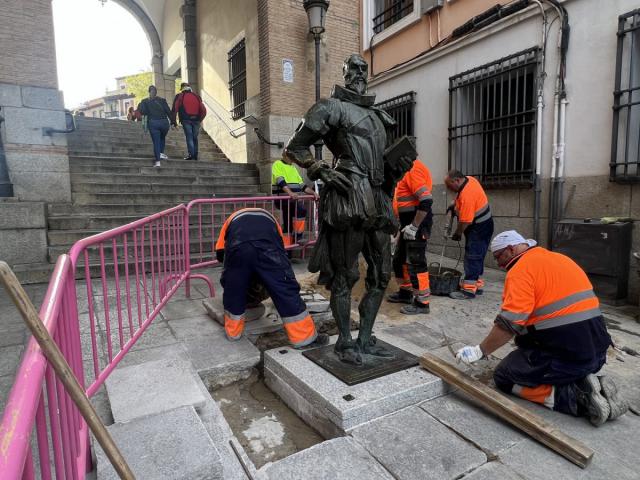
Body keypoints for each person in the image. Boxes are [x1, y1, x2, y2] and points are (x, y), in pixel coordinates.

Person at [283, 54, 413, 365]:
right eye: (352, 68)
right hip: (349, 193)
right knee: (346, 274)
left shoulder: (382, 117)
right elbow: (295, 146)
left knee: (382, 275)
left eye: (362, 68)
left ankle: (365, 337)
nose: (358, 72)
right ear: (344, 73)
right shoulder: (330, 107)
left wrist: (399, 168)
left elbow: (385, 162)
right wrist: (319, 169)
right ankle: (344, 342)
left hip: (379, 197)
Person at [456, 230, 628, 426]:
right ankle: (585, 380)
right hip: (598, 353)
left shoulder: (520, 271)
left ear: (511, 249)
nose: (498, 264)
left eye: (498, 257)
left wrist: (480, 350)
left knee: (504, 376)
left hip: (573, 359)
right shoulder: (559, 258)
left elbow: (508, 325)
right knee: (524, 344)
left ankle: (577, 397)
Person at [215, 207, 329, 348]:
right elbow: (280, 250)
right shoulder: (273, 222)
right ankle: (304, 338)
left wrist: (235, 274)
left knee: (234, 287)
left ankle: (233, 333)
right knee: (284, 288)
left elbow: (220, 253)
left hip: (238, 248)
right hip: (269, 248)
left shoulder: (230, 221)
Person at [387, 159, 433, 315]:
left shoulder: (412, 170)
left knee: (416, 263)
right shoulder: (404, 172)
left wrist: (414, 226)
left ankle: (422, 302)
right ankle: (406, 292)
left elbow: (426, 200)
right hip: (407, 222)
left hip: (417, 222)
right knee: (399, 260)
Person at [444, 169, 494, 299]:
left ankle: (468, 290)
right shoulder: (469, 179)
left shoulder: (467, 195)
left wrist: (457, 233)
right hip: (484, 224)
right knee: (478, 255)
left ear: (457, 180)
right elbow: (461, 200)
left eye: (449, 185)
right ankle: (476, 285)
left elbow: (465, 221)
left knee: (473, 255)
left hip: (478, 228)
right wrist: (454, 205)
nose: (448, 188)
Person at [271, 156, 319, 246]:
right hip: (283, 200)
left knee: (288, 224)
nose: (294, 159)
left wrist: (313, 193)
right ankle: (298, 237)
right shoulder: (277, 164)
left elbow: (302, 185)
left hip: (292, 200)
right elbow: (280, 180)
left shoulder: (293, 168)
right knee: (299, 210)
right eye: (292, 157)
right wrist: (290, 193)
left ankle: (288, 247)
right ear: (286, 155)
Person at [136, 85, 172, 167]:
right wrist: (174, 122)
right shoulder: (162, 100)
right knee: (162, 138)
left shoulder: (144, 101)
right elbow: (168, 111)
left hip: (153, 123)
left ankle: (158, 162)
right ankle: (161, 153)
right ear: (156, 92)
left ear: (149, 92)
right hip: (164, 123)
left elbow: (142, 111)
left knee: (156, 142)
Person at [171, 82, 207, 160]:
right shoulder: (197, 96)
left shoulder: (180, 96)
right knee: (194, 137)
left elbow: (175, 109)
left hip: (186, 119)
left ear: (182, 89)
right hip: (196, 120)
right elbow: (204, 110)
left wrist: (174, 122)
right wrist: (199, 120)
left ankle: (191, 155)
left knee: (189, 137)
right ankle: (195, 155)